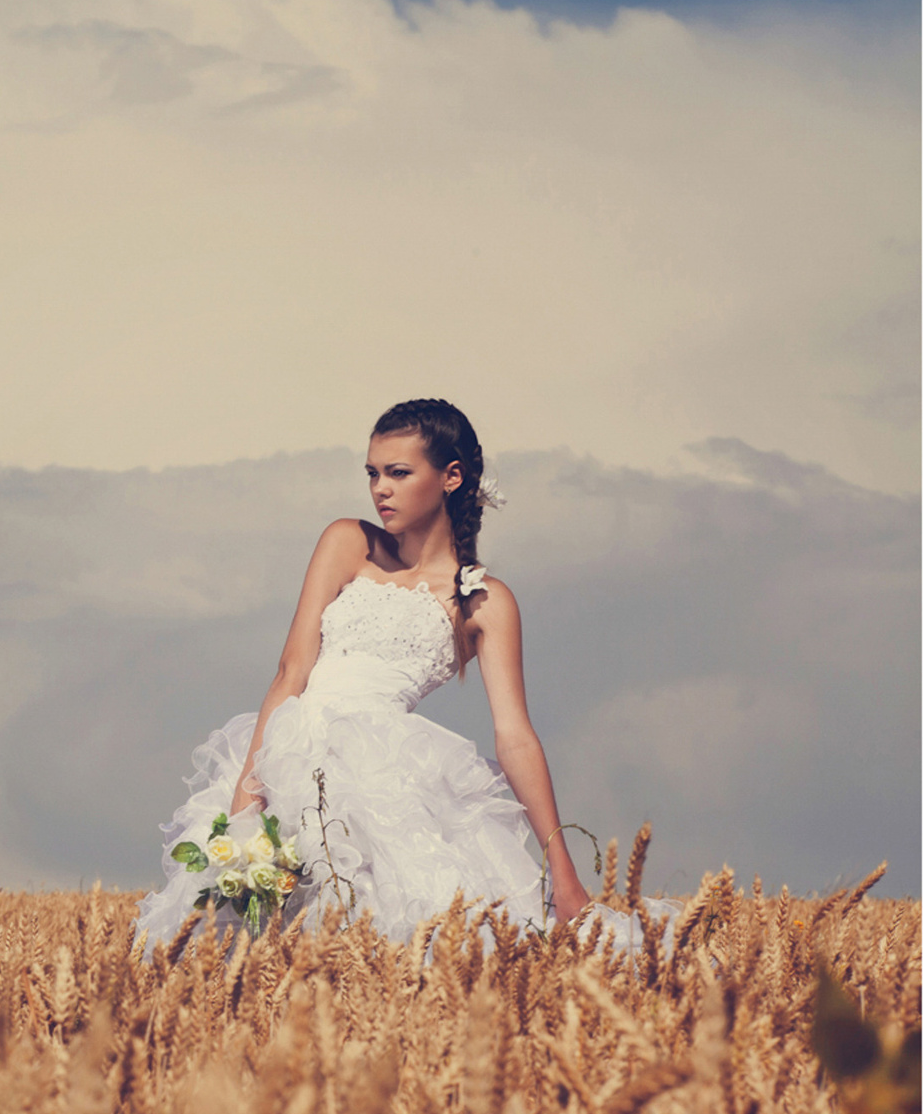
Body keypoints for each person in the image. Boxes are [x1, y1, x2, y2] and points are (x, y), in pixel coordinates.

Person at [132, 398, 661, 952]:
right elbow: (290, 673)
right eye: (373, 473)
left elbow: (516, 737)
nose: (380, 488)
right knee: (230, 948)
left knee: (406, 945)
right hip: (286, 758)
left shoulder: (484, 602)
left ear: (451, 477)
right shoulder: (347, 542)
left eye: (399, 473)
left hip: (383, 784)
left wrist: (564, 871)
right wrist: (245, 806)